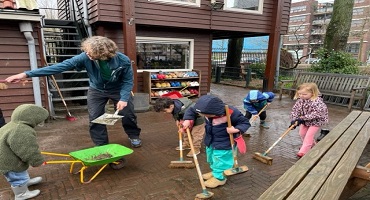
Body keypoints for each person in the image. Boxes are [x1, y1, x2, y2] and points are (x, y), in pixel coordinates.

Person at [5, 36, 142, 148]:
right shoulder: (85, 56)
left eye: (90, 53)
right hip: (97, 90)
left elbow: (128, 81)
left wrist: (123, 98)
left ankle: (133, 135)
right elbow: (60, 67)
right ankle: (101, 145)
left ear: (102, 54)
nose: (87, 54)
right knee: (95, 118)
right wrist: (26, 74)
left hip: (118, 90)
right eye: (87, 52)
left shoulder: (122, 60)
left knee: (128, 114)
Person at [182, 95, 250, 188]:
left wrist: (235, 129)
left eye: (208, 115)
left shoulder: (231, 112)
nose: (205, 116)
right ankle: (216, 172)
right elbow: (191, 110)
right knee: (211, 157)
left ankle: (220, 178)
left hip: (224, 142)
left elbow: (245, 123)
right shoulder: (203, 109)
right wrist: (187, 120)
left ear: (216, 111)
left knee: (221, 160)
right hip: (210, 140)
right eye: (204, 115)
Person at [0, 104, 49, 199]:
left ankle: (25, 181)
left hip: (7, 154)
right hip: (7, 161)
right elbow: (28, 150)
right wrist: (37, 161)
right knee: (16, 177)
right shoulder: (21, 131)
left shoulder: (13, 124)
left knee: (20, 171)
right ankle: (21, 194)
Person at [290, 82, 329, 158]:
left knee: (309, 136)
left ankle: (303, 151)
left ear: (313, 93)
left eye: (304, 94)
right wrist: (294, 120)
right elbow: (295, 110)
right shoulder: (300, 101)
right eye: (300, 94)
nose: (301, 96)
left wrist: (302, 118)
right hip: (305, 121)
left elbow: (317, 114)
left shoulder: (317, 102)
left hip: (316, 121)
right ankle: (313, 145)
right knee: (302, 134)